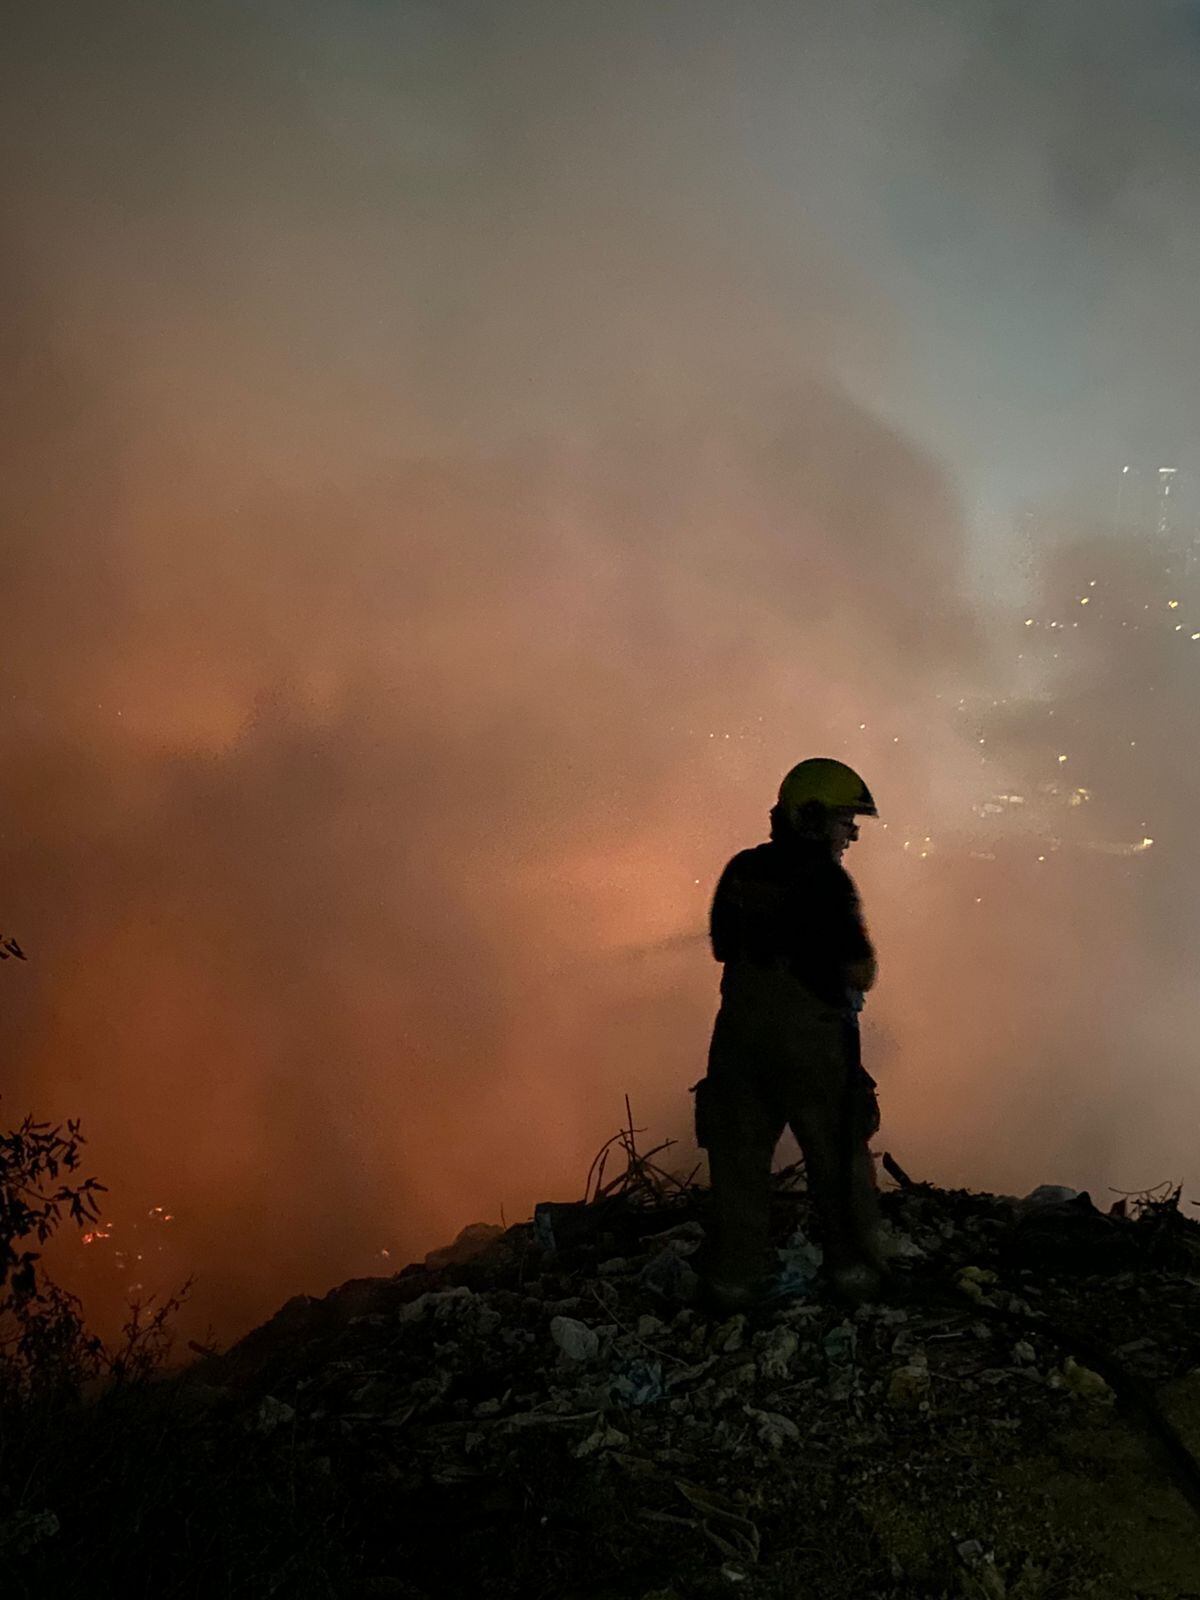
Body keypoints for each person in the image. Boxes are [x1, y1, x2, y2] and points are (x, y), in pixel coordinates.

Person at [692, 758, 888, 1312]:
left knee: (737, 1165)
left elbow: (722, 947)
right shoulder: (827, 880)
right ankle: (854, 1278)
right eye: (843, 820)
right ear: (810, 817)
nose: (849, 834)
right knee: (839, 1157)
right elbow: (858, 969)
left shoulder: (742, 869)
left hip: (736, 1040)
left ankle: (734, 1281)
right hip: (812, 1045)